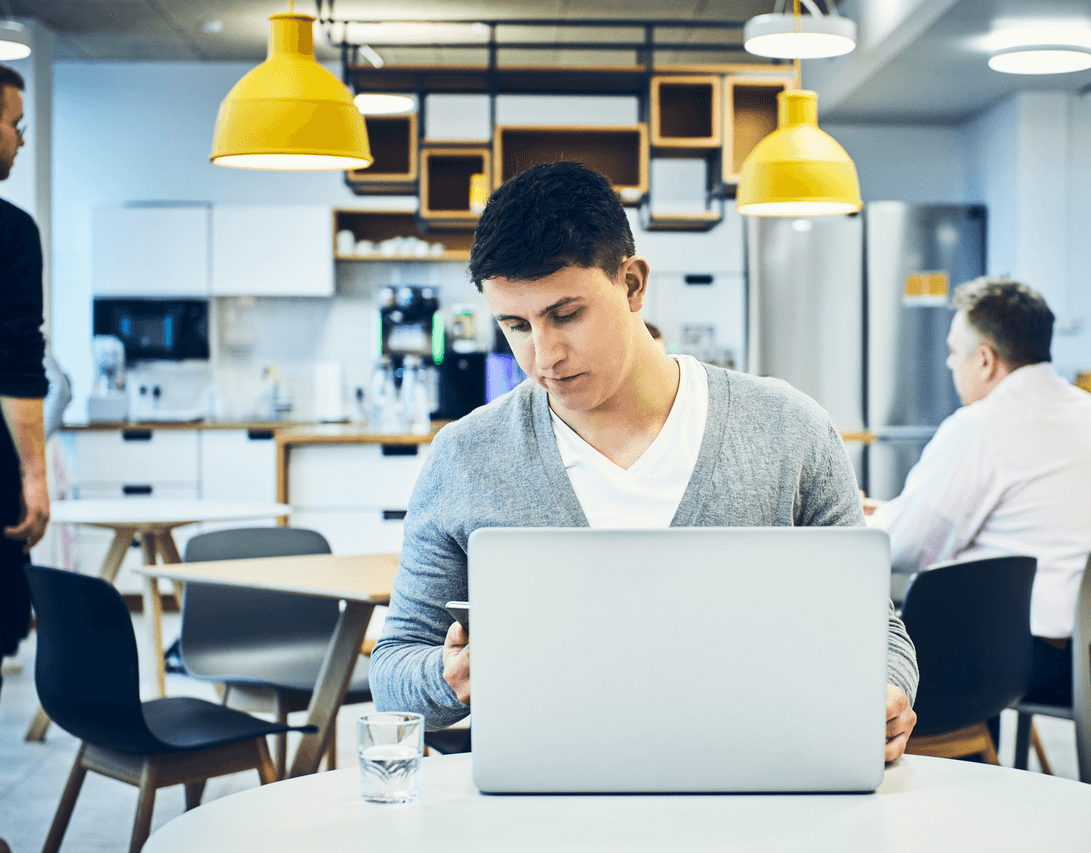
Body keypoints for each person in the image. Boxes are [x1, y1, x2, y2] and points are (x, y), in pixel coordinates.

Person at [370, 161, 918, 761]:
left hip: (756, 776)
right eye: (516, 325)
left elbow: (873, 627)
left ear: (632, 283)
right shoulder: (467, 455)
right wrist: (451, 677)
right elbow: (395, 664)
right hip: (544, 794)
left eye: (566, 314)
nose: (544, 355)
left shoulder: (789, 429)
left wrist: (884, 690)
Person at [864, 277, 1091, 707]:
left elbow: (904, 547)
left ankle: (953, 767)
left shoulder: (983, 425)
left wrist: (857, 516)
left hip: (1062, 666)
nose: (949, 364)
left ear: (984, 360)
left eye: (953, 352)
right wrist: (894, 512)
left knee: (906, 639)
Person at [0, 60, 49, 853]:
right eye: (14, 123)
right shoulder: (4, 230)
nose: (21, 139)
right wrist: (34, 475)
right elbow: (14, 362)